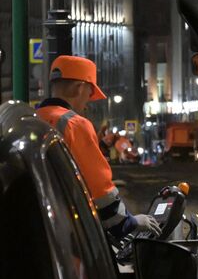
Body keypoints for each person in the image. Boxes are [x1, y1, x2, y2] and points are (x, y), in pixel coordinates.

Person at [37, 56, 155, 239]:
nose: (87, 102)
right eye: (90, 93)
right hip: (65, 234)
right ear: (79, 87)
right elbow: (98, 187)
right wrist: (127, 222)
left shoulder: (32, 119)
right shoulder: (75, 124)